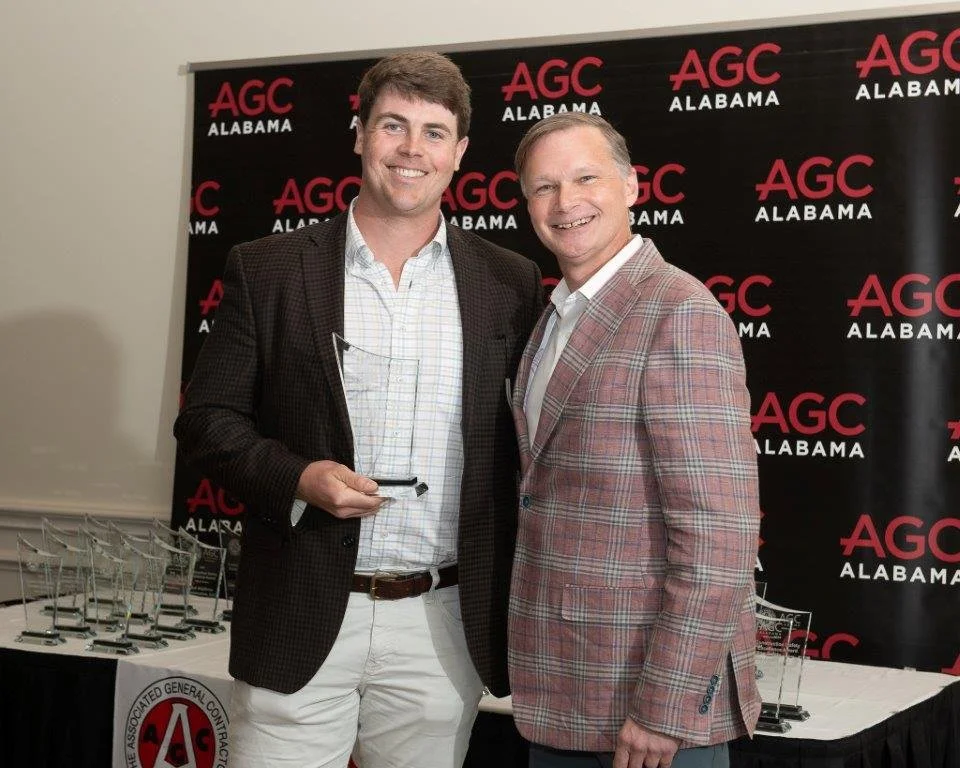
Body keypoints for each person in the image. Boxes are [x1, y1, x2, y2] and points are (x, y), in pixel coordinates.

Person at [174, 52, 542, 768]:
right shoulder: (270, 268)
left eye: (434, 133)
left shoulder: (509, 281)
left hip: (441, 624)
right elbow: (207, 421)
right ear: (359, 134)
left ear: (460, 153)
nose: (412, 149)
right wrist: (300, 475)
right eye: (393, 126)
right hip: (301, 606)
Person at [507, 112, 761, 768]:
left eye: (585, 177)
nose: (566, 202)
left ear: (632, 186)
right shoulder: (552, 320)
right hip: (564, 696)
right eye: (543, 187)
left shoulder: (680, 313)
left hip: (650, 722)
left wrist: (665, 709)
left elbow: (720, 539)